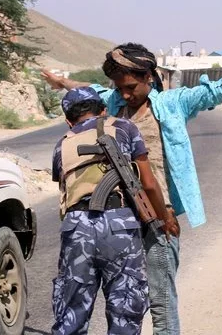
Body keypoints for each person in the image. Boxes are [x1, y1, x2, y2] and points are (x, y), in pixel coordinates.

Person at [42, 44, 222, 335]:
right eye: (119, 87)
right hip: (118, 219)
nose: (125, 94)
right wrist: (62, 83)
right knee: (123, 301)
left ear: (148, 77)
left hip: (158, 218)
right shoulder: (113, 102)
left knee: (160, 300)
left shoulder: (172, 104)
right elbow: (88, 90)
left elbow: (216, 90)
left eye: (130, 87)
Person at [51, 87, 178, 335]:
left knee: (71, 313)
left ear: (68, 120)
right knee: (125, 310)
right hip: (120, 224)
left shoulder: (61, 145)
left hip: (76, 226)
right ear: (103, 110)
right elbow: (149, 183)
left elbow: (65, 187)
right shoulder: (125, 128)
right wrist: (164, 217)